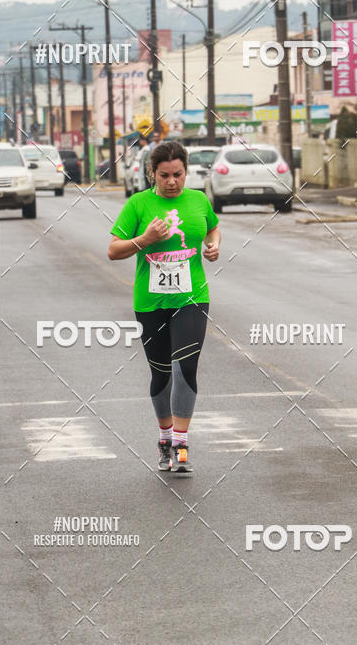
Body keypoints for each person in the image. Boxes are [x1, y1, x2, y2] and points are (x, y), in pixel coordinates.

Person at [108, 141, 221, 474]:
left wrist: (213, 246)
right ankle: (163, 437)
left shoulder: (199, 199)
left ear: (186, 172)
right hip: (151, 301)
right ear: (151, 174)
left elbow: (212, 227)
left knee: (185, 368)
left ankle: (181, 443)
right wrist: (145, 240)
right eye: (165, 176)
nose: (173, 182)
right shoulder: (138, 204)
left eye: (179, 175)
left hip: (192, 298)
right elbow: (114, 250)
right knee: (161, 372)